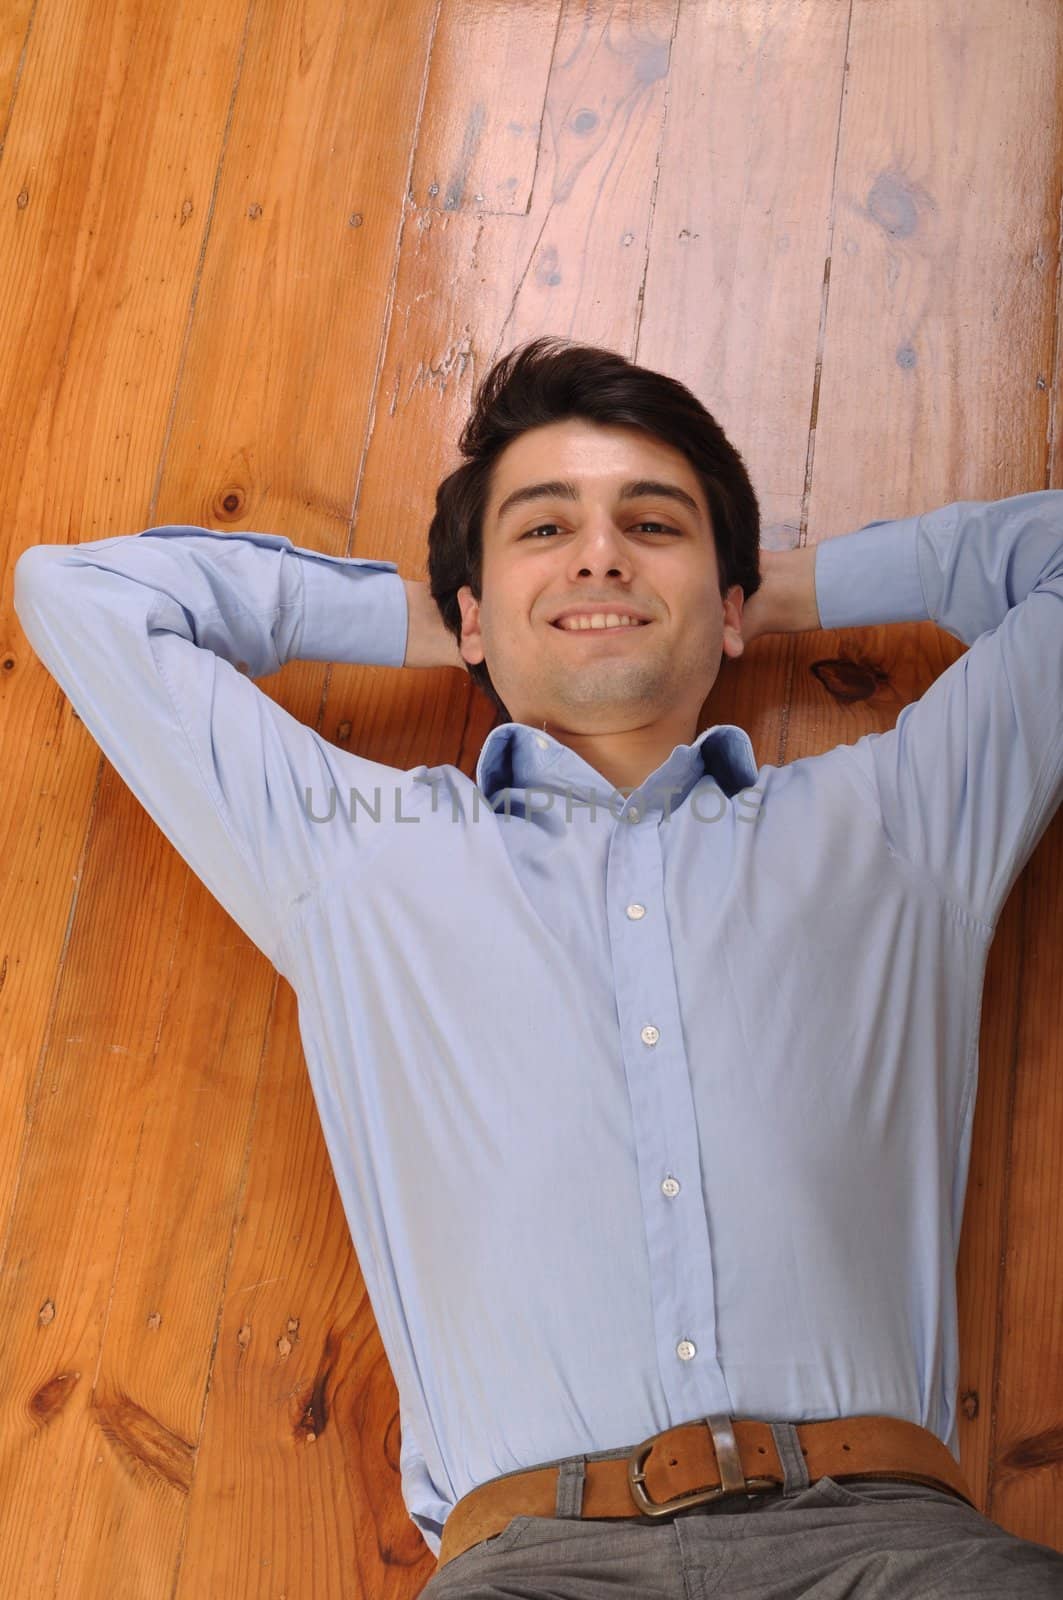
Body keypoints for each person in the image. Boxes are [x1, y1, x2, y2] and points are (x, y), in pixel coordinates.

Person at [13, 336, 1063, 1597]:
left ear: (729, 604)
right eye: (543, 529)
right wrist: (440, 617)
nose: (600, 553)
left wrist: (770, 588)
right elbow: (78, 597)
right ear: (468, 613)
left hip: (890, 1550)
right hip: (534, 1568)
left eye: (652, 525)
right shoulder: (355, 853)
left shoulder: (898, 819)